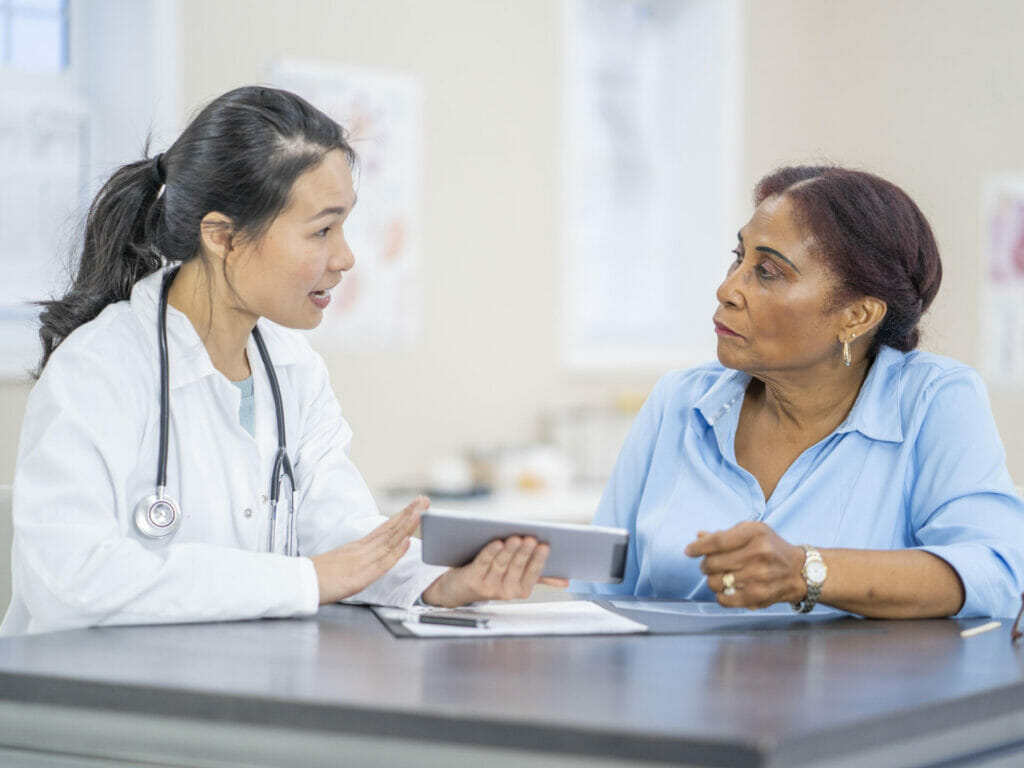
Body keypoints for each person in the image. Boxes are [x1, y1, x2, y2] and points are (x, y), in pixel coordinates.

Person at [1, 86, 564, 636]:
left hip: (230, 693)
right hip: (84, 709)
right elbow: (68, 584)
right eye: (321, 230)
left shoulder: (293, 368)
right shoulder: (100, 369)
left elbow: (343, 541)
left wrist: (442, 583)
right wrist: (303, 580)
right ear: (222, 237)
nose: (345, 257)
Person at [573, 165, 1024, 619]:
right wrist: (510, 584)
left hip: (851, 690)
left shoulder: (932, 400)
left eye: (767, 271)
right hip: (668, 687)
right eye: (738, 257)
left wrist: (807, 571)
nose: (727, 289)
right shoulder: (679, 401)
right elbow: (595, 590)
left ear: (857, 316)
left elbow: (999, 574)